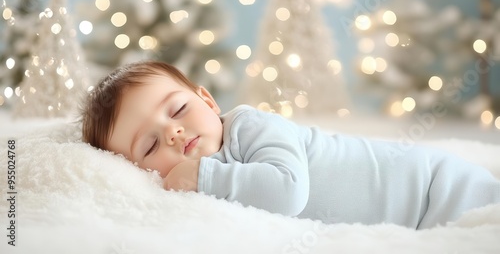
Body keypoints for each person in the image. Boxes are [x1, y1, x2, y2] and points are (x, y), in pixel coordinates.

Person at [81, 60, 500, 230]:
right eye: (150, 145)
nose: (173, 133)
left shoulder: (250, 127)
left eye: (177, 110)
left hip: (433, 187)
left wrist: (204, 174)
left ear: (208, 101)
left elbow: (287, 191)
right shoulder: (185, 192)